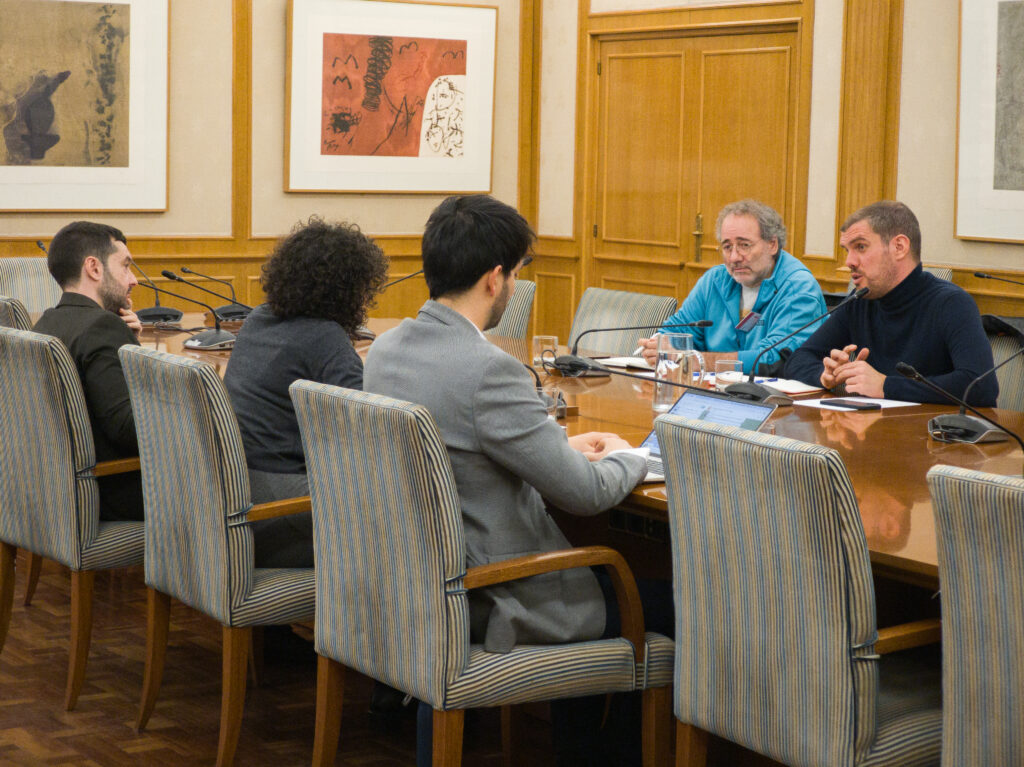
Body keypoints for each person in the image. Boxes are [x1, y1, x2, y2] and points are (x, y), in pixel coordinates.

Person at [364, 194, 661, 766]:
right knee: (666, 605)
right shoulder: (489, 370)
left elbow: (457, 450)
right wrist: (631, 456)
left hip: (409, 582)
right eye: (520, 270)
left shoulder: (387, 348)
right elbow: (584, 493)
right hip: (492, 593)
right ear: (496, 279)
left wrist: (557, 447)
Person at [224, 217, 388, 568]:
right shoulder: (324, 337)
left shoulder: (258, 319)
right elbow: (370, 429)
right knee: (404, 519)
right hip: (279, 513)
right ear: (348, 289)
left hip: (234, 499)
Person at [784, 200, 998, 405]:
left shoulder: (951, 303)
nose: (849, 261)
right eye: (846, 250)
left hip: (933, 437)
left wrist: (886, 386)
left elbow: (981, 386)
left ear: (899, 247)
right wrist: (825, 375)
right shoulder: (860, 302)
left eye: (860, 247)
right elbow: (798, 359)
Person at [32, 221, 143, 521]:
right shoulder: (102, 327)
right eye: (125, 266)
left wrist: (130, 344)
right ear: (94, 268)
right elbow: (129, 430)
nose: (133, 280)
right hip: (109, 493)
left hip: (53, 488)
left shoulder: (46, 323)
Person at [638, 199, 826, 374]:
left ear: (772, 244)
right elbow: (678, 330)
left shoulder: (798, 288)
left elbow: (774, 360)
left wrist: (696, 361)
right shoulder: (715, 280)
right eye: (727, 247)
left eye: (744, 245)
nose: (734, 257)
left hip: (778, 402)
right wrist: (660, 345)